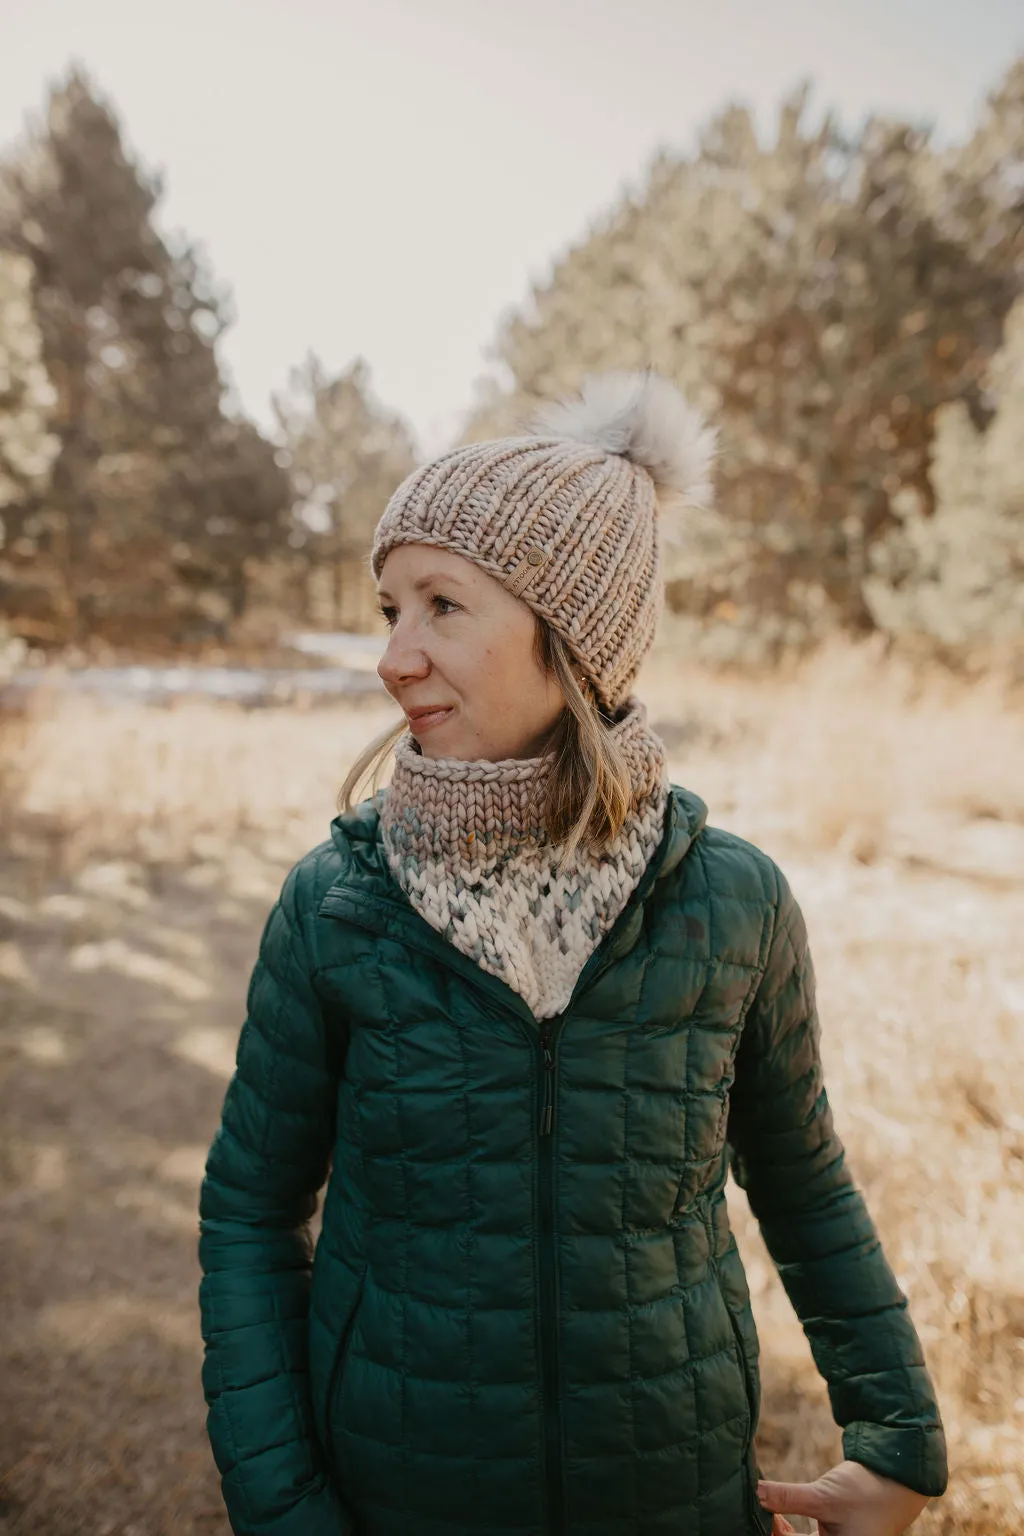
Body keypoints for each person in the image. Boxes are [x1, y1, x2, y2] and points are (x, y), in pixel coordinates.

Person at [198, 372, 948, 1536]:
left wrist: (898, 1438)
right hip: (400, 1498)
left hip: (673, 1494)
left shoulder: (731, 903)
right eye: (389, 609)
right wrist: (280, 1504)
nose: (394, 656)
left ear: (572, 639)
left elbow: (802, 1183)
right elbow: (250, 1211)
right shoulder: (337, 905)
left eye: (441, 605)